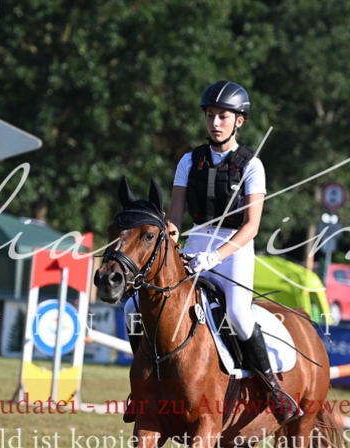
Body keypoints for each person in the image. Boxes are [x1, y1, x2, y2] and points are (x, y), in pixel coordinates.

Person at [124, 80, 301, 424]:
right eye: (210, 115)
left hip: (235, 248)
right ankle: (142, 385)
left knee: (237, 313)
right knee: (134, 306)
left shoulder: (252, 165)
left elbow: (252, 226)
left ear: (239, 121)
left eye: (223, 116)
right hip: (195, 242)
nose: (215, 122)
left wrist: (216, 256)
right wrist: (169, 244)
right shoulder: (189, 161)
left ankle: (274, 389)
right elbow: (175, 220)